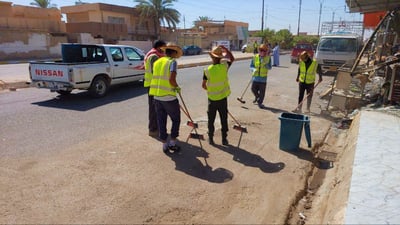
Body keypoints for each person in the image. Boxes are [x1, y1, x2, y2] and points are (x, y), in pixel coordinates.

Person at [149, 43, 183, 153]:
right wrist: (177, 88)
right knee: (176, 119)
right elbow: (171, 80)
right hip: (168, 97)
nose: (176, 55)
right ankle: (172, 143)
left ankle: (164, 145)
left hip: (157, 97)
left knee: (161, 120)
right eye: (175, 53)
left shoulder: (157, 62)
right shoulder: (172, 62)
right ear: (172, 52)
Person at [202, 45, 235, 146]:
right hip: (223, 99)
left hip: (212, 100)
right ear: (220, 57)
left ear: (212, 57)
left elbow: (203, 85)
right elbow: (232, 58)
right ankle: (224, 139)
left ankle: (211, 138)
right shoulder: (224, 67)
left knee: (211, 120)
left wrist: (211, 89)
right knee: (223, 119)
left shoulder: (207, 70)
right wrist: (226, 50)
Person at [143, 40, 166, 137]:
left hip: (153, 85)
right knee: (154, 109)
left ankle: (156, 129)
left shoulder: (154, 54)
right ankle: (153, 130)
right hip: (153, 86)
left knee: (157, 108)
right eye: (163, 48)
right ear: (159, 47)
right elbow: (156, 72)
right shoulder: (154, 56)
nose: (164, 50)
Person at [250, 44, 272, 109]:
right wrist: (253, 69)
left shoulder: (268, 58)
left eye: (264, 51)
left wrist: (265, 65)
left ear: (266, 51)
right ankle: (257, 97)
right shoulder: (255, 57)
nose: (262, 52)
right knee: (253, 89)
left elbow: (270, 67)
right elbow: (251, 66)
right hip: (255, 77)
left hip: (263, 79)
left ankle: (260, 102)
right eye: (261, 50)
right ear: (258, 50)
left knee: (262, 92)